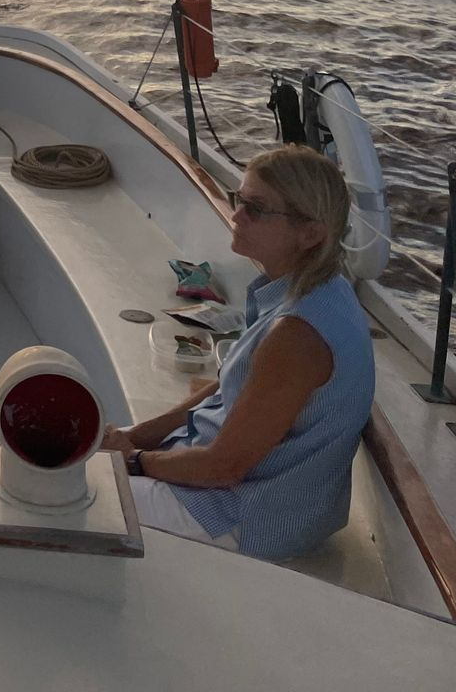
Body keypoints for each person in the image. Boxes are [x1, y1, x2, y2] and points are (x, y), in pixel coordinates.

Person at [101, 146, 375, 560]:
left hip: (242, 514)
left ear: (311, 233)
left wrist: (136, 461)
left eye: (257, 209)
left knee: (65, 488)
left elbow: (222, 469)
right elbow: (224, 390)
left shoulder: (298, 334)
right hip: (224, 481)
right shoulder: (309, 290)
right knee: (75, 451)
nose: (236, 216)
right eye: (239, 200)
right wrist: (133, 438)